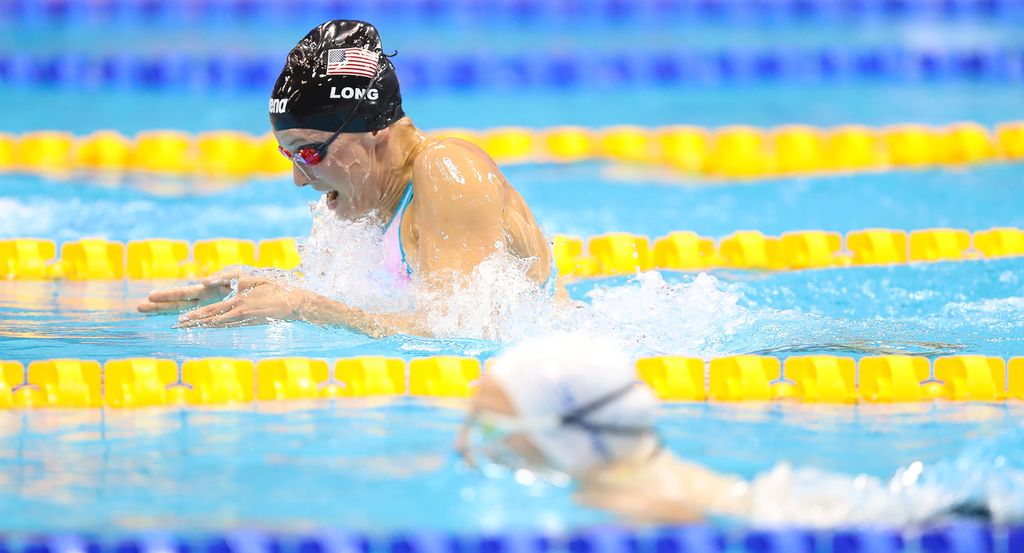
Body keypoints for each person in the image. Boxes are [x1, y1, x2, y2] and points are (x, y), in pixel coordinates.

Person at [137, 20, 558, 337]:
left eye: (309, 151)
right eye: (287, 153)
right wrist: (266, 286)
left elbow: (465, 332)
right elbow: (395, 306)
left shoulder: (448, 170)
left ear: (373, 130)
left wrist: (303, 305)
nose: (299, 180)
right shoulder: (380, 198)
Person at [457, 333, 992, 527]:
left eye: (490, 423)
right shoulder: (624, 473)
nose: (473, 437)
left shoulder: (632, 503)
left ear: (558, 433)